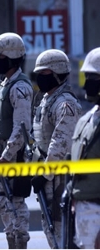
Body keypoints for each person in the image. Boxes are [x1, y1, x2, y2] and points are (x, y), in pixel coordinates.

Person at [31, 49, 82, 248]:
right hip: (47, 175)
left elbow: (60, 143)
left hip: (58, 177)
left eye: (43, 74)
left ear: (57, 74)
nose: (38, 78)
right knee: (50, 227)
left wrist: (45, 174)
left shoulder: (65, 104)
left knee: (61, 230)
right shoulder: (46, 99)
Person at [0, 32, 33, 249]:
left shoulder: (20, 87)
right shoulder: (3, 84)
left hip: (14, 155)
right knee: (3, 202)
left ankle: (19, 243)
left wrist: (7, 156)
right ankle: (10, 241)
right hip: (1, 153)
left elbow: (21, 129)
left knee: (16, 202)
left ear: (12, 58)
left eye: (0, 57)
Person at [69, 47, 100, 249]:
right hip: (82, 211)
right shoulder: (87, 119)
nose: (88, 83)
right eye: (87, 76)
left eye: (94, 77)